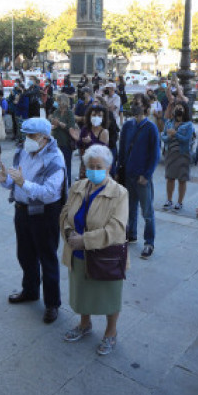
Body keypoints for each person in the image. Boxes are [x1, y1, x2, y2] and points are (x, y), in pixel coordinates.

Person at [0, 118, 66, 324]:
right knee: (25, 254)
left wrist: (23, 183)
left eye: (31, 136)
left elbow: (50, 193)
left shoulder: (55, 158)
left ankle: (52, 303)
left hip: (45, 214)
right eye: (25, 135)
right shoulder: (23, 151)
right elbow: (15, 180)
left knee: (47, 258)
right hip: (22, 210)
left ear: (44, 137)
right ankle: (30, 290)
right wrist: (5, 179)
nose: (28, 139)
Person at [60, 145, 128, 356]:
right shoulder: (78, 187)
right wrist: (70, 233)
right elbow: (64, 213)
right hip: (77, 251)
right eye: (90, 166)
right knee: (82, 291)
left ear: (108, 168)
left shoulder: (119, 193)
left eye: (98, 166)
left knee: (109, 296)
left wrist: (86, 240)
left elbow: (116, 229)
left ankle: (110, 332)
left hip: (106, 255)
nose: (94, 170)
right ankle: (84, 324)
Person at [119, 94, 160, 259]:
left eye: (138, 103)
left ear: (145, 107)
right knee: (130, 208)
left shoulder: (150, 128)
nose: (135, 106)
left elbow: (155, 154)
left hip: (142, 176)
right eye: (133, 103)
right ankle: (132, 234)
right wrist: (118, 168)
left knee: (147, 211)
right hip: (128, 174)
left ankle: (149, 242)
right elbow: (122, 149)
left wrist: (147, 174)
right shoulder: (128, 126)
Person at [161, 103, 194, 211]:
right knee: (169, 178)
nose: (178, 110)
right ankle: (169, 200)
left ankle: (180, 202)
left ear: (185, 110)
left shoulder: (189, 124)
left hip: (183, 154)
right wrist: (169, 136)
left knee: (182, 179)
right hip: (170, 153)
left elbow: (187, 139)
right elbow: (163, 137)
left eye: (181, 108)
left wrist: (175, 134)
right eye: (176, 108)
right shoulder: (169, 122)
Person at [48, 94, 79, 186]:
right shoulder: (56, 112)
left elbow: (71, 127)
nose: (57, 103)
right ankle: (58, 182)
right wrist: (53, 123)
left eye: (59, 101)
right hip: (56, 140)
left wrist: (60, 124)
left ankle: (67, 182)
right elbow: (52, 123)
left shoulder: (69, 113)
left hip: (66, 142)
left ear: (64, 102)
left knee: (66, 163)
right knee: (56, 163)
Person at [77, 105, 110, 179]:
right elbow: (79, 145)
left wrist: (90, 142)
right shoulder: (85, 129)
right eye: (94, 115)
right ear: (89, 116)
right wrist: (78, 140)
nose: (96, 117)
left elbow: (102, 152)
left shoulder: (104, 132)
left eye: (99, 116)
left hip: (97, 167)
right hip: (85, 164)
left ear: (103, 118)